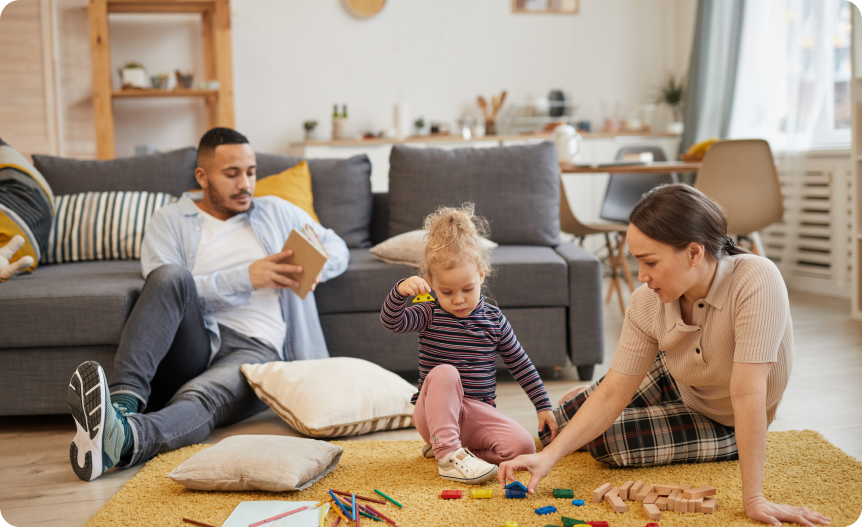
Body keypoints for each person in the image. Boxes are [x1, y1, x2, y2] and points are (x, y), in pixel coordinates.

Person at [498, 184, 830, 527]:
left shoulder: (756, 280)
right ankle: (588, 400)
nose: (642, 276)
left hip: (727, 417)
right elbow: (613, 393)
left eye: (650, 262)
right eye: (636, 261)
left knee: (607, 441)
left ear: (694, 253)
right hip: (681, 376)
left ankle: (723, 441)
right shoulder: (646, 300)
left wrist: (754, 499)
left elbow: (747, 393)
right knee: (557, 425)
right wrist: (547, 457)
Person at [67, 127, 349, 482]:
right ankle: (122, 405)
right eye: (231, 174)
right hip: (194, 341)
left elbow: (336, 245)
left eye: (251, 172)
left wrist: (319, 265)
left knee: (199, 396)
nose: (245, 184)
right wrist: (246, 278)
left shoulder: (277, 211)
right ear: (202, 177)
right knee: (170, 276)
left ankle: (121, 437)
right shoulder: (169, 221)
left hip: (257, 348)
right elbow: (161, 293)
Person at [380, 203, 558, 485]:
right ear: (431, 283)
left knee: (524, 446)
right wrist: (400, 292)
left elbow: (521, 364)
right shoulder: (429, 312)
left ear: (481, 275)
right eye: (447, 292)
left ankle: (453, 450)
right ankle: (448, 455)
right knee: (445, 373)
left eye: (467, 289)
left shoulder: (494, 320)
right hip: (432, 414)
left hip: (476, 415)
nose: (459, 299)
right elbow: (393, 322)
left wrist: (543, 406)